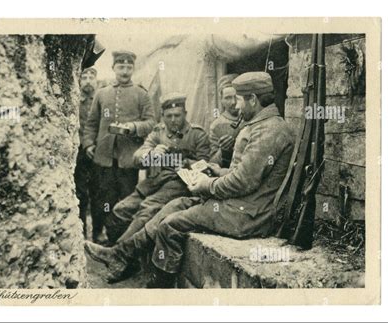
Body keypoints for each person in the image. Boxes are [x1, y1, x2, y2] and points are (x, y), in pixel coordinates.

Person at [84, 71, 295, 288]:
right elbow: (243, 175)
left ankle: (159, 289)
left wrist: (206, 184)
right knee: (175, 205)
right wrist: (216, 170)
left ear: (253, 99)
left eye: (239, 99)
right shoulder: (262, 126)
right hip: (241, 205)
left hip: (249, 215)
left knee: (171, 225)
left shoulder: (268, 130)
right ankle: (120, 254)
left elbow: (243, 182)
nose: (236, 106)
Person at [104, 93, 210, 253]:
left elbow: (205, 167)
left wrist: (186, 163)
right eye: (169, 116)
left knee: (147, 209)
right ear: (162, 116)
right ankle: (120, 252)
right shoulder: (157, 133)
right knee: (121, 209)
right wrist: (152, 154)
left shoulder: (197, 134)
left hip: (180, 185)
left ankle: (118, 253)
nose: (173, 120)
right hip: (154, 182)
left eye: (177, 115)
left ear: (185, 114)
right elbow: (137, 158)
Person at [82, 50, 156, 244]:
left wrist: (133, 127)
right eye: (121, 67)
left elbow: (150, 123)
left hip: (127, 159)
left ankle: (120, 239)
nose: (125, 71)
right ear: (113, 68)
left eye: (128, 67)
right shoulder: (102, 93)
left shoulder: (141, 94)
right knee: (103, 199)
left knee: (125, 200)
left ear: (133, 68)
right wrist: (89, 143)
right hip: (103, 157)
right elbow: (91, 123)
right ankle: (99, 235)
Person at [74, 67, 102, 240]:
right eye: (84, 77)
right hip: (78, 154)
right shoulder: (75, 100)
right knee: (80, 193)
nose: (88, 80)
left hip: (96, 151)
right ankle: (81, 232)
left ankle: (98, 233)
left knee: (98, 192)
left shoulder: (100, 101)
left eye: (92, 76)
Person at [209, 73, 244, 168]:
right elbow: (212, 163)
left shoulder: (249, 118)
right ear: (221, 100)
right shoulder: (216, 125)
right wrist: (223, 151)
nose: (233, 102)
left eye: (236, 97)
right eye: (228, 98)